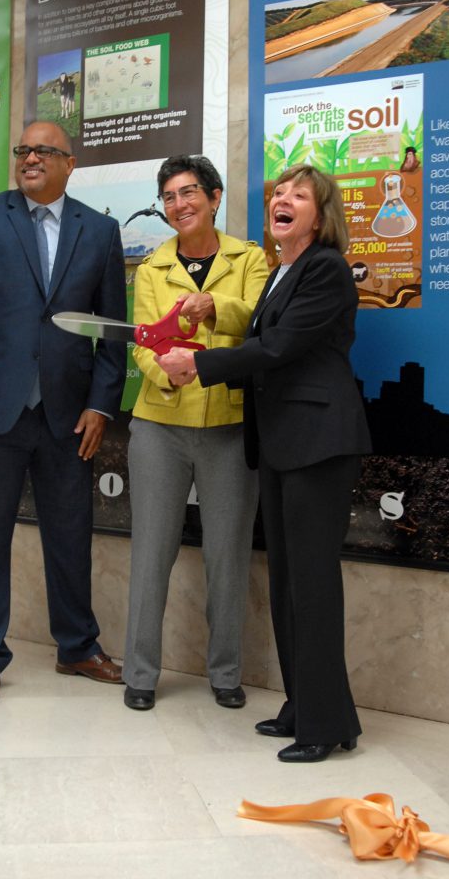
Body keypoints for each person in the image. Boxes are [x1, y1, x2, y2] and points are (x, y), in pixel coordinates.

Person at [156, 164, 371, 762]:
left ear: (320, 214)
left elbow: (276, 348)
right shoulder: (281, 272)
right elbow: (257, 331)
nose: (283, 199)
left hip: (318, 444)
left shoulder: (325, 268)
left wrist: (197, 366)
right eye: (278, 191)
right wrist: (204, 315)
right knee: (287, 585)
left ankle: (324, 724)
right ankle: (309, 707)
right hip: (282, 444)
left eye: (298, 195)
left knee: (312, 585)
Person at [0, 120, 127, 705]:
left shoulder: (102, 230)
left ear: (69, 163)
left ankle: (78, 646)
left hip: (68, 415)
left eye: (44, 151)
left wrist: (101, 405)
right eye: (23, 150)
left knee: (70, 535)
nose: (30, 157)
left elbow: (112, 333)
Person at [122, 155, 269, 711]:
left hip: (229, 424)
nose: (178, 205)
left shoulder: (250, 259)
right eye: (168, 197)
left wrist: (214, 307)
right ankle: (140, 673)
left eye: (188, 193)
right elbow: (142, 342)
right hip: (159, 423)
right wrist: (169, 371)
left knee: (227, 556)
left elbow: (259, 325)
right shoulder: (151, 268)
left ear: (213, 197)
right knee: (151, 552)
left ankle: (225, 673)